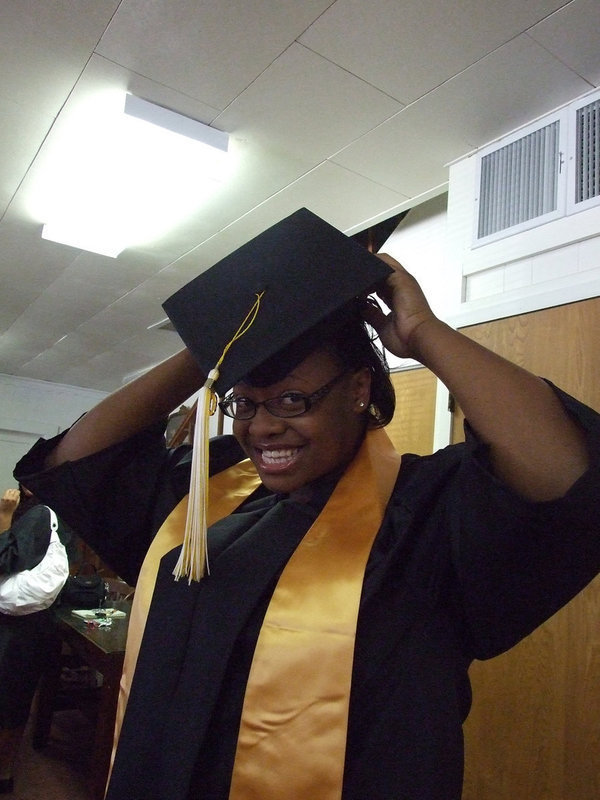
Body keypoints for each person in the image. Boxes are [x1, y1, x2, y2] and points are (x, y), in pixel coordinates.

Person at [14, 209, 600, 800]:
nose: (261, 427)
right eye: (245, 403)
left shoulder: (426, 511)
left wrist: (425, 333)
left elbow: (566, 472)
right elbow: (78, 461)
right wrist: (216, 341)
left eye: (291, 400)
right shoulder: (209, 492)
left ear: (358, 389)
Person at [0, 485, 73, 794]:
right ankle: (5, 772)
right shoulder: (64, 518)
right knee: (16, 701)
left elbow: (4, 559)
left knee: (7, 702)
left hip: (13, 630)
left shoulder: (38, 516)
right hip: (35, 626)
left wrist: (4, 515)